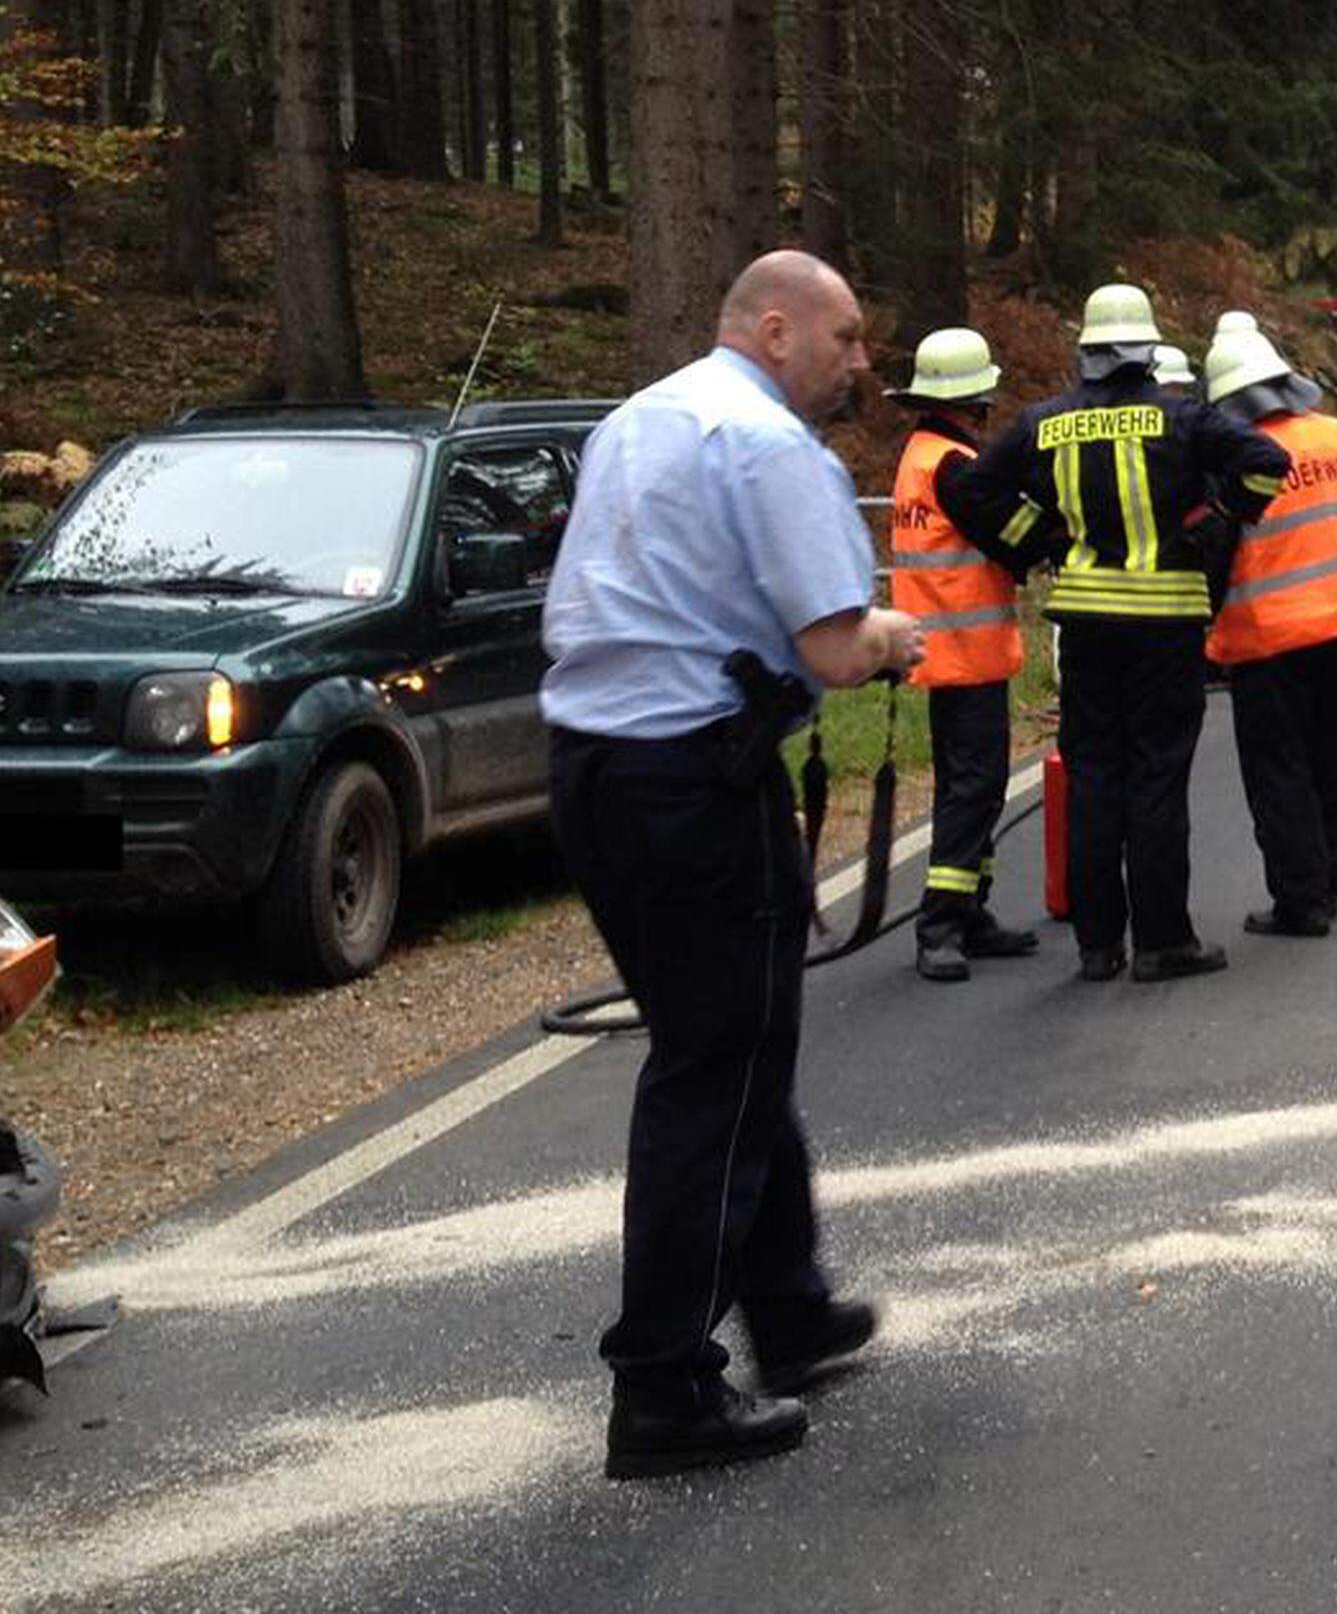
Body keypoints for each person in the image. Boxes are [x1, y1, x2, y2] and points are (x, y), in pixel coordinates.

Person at [541, 250, 915, 1480]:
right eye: (847, 338)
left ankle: (790, 1310)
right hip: (695, 780)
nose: (860, 363)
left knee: (733, 1043)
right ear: (775, 330)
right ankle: (664, 1387)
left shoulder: (638, 420)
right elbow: (833, 645)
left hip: (595, 770)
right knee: (719, 1069)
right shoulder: (767, 447)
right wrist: (897, 633)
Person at [945, 283, 1286, 983]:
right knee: (1157, 780)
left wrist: (1035, 539)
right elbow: (1268, 462)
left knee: (1096, 779)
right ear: (1146, 349)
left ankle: (1098, 947)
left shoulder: (1045, 421)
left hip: (1087, 626)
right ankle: (1164, 942)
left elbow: (970, 489)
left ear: (1087, 352)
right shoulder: (1185, 419)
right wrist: (1221, 516)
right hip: (1165, 627)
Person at [1200, 320, 1337, 938]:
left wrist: (1201, 633)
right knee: (1331, 758)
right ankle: (1332, 876)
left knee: (1280, 773)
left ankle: (1301, 902)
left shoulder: (1234, 458)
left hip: (1269, 637)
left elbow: (1218, 550)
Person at [885, 327, 1052, 984]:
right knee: (972, 789)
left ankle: (971, 913)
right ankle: (941, 923)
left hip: (948, 647)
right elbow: (1004, 530)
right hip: (961, 650)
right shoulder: (953, 465)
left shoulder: (921, 453)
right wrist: (1049, 534)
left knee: (975, 788)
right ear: (974, 398)